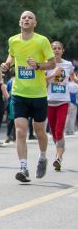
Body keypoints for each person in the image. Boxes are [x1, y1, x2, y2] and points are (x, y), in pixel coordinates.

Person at [0, 10, 55, 182]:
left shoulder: (42, 40)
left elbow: (52, 63)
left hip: (38, 93)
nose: (26, 19)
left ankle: (42, 157)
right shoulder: (13, 40)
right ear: (19, 22)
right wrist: (7, 63)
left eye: (30, 17)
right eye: (23, 17)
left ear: (35, 23)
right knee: (20, 130)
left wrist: (38, 65)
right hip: (19, 92)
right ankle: (23, 168)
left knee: (39, 132)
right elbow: (12, 54)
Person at [45, 41, 78, 171]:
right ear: (50, 50)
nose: (56, 50)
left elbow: (73, 78)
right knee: (54, 132)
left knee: (59, 130)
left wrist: (76, 80)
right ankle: (60, 151)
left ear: (62, 50)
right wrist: (53, 74)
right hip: (49, 101)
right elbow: (43, 80)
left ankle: (58, 158)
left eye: (59, 48)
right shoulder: (47, 64)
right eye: (54, 48)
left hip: (63, 102)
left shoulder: (68, 65)